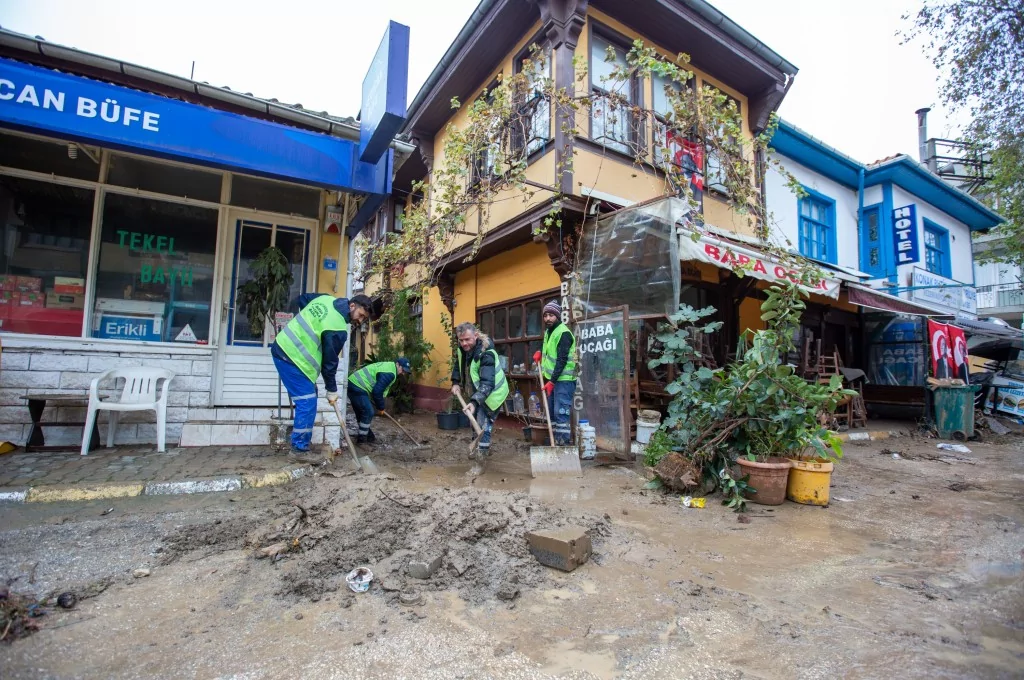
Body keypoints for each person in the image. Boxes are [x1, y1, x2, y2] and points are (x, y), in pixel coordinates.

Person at [271, 293, 372, 463]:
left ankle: (300, 443)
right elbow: (329, 363)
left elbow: (302, 299)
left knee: (309, 396)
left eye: (364, 319)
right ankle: (298, 449)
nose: (360, 321)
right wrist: (332, 390)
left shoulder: (325, 299)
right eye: (361, 315)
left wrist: (310, 323)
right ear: (352, 306)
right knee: (307, 402)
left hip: (285, 348)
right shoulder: (338, 328)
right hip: (291, 357)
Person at [451, 322, 509, 458]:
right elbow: (458, 365)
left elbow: (487, 383)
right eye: (461, 340)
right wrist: (455, 382)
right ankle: (477, 447)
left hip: (493, 394)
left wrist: (474, 402)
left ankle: (481, 459)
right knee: (475, 422)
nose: (464, 343)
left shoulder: (486, 353)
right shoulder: (464, 350)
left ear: (476, 336)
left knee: (483, 424)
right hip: (479, 393)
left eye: (467, 339)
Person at [347, 357, 411, 443]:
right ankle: (361, 441)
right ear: (397, 364)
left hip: (355, 383)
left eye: (404, 372)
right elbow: (377, 392)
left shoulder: (390, 368)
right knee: (368, 412)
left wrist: (379, 405)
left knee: (362, 412)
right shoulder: (390, 373)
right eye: (402, 370)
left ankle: (369, 437)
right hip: (357, 386)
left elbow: (377, 391)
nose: (402, 373)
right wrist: (381, 407)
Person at [540, 300, 577, 445]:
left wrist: (552, 381)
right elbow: (550, 353)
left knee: (561, 413)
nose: (547, 318)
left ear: (558, 316)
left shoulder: (563, 333)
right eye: (545, 315)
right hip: (553, 380)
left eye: (551, 315)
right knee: (551, 412)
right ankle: (554, 443)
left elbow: (561, 361)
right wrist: (539, 353)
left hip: (564, 380)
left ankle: (563, 445)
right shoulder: (549, 332)